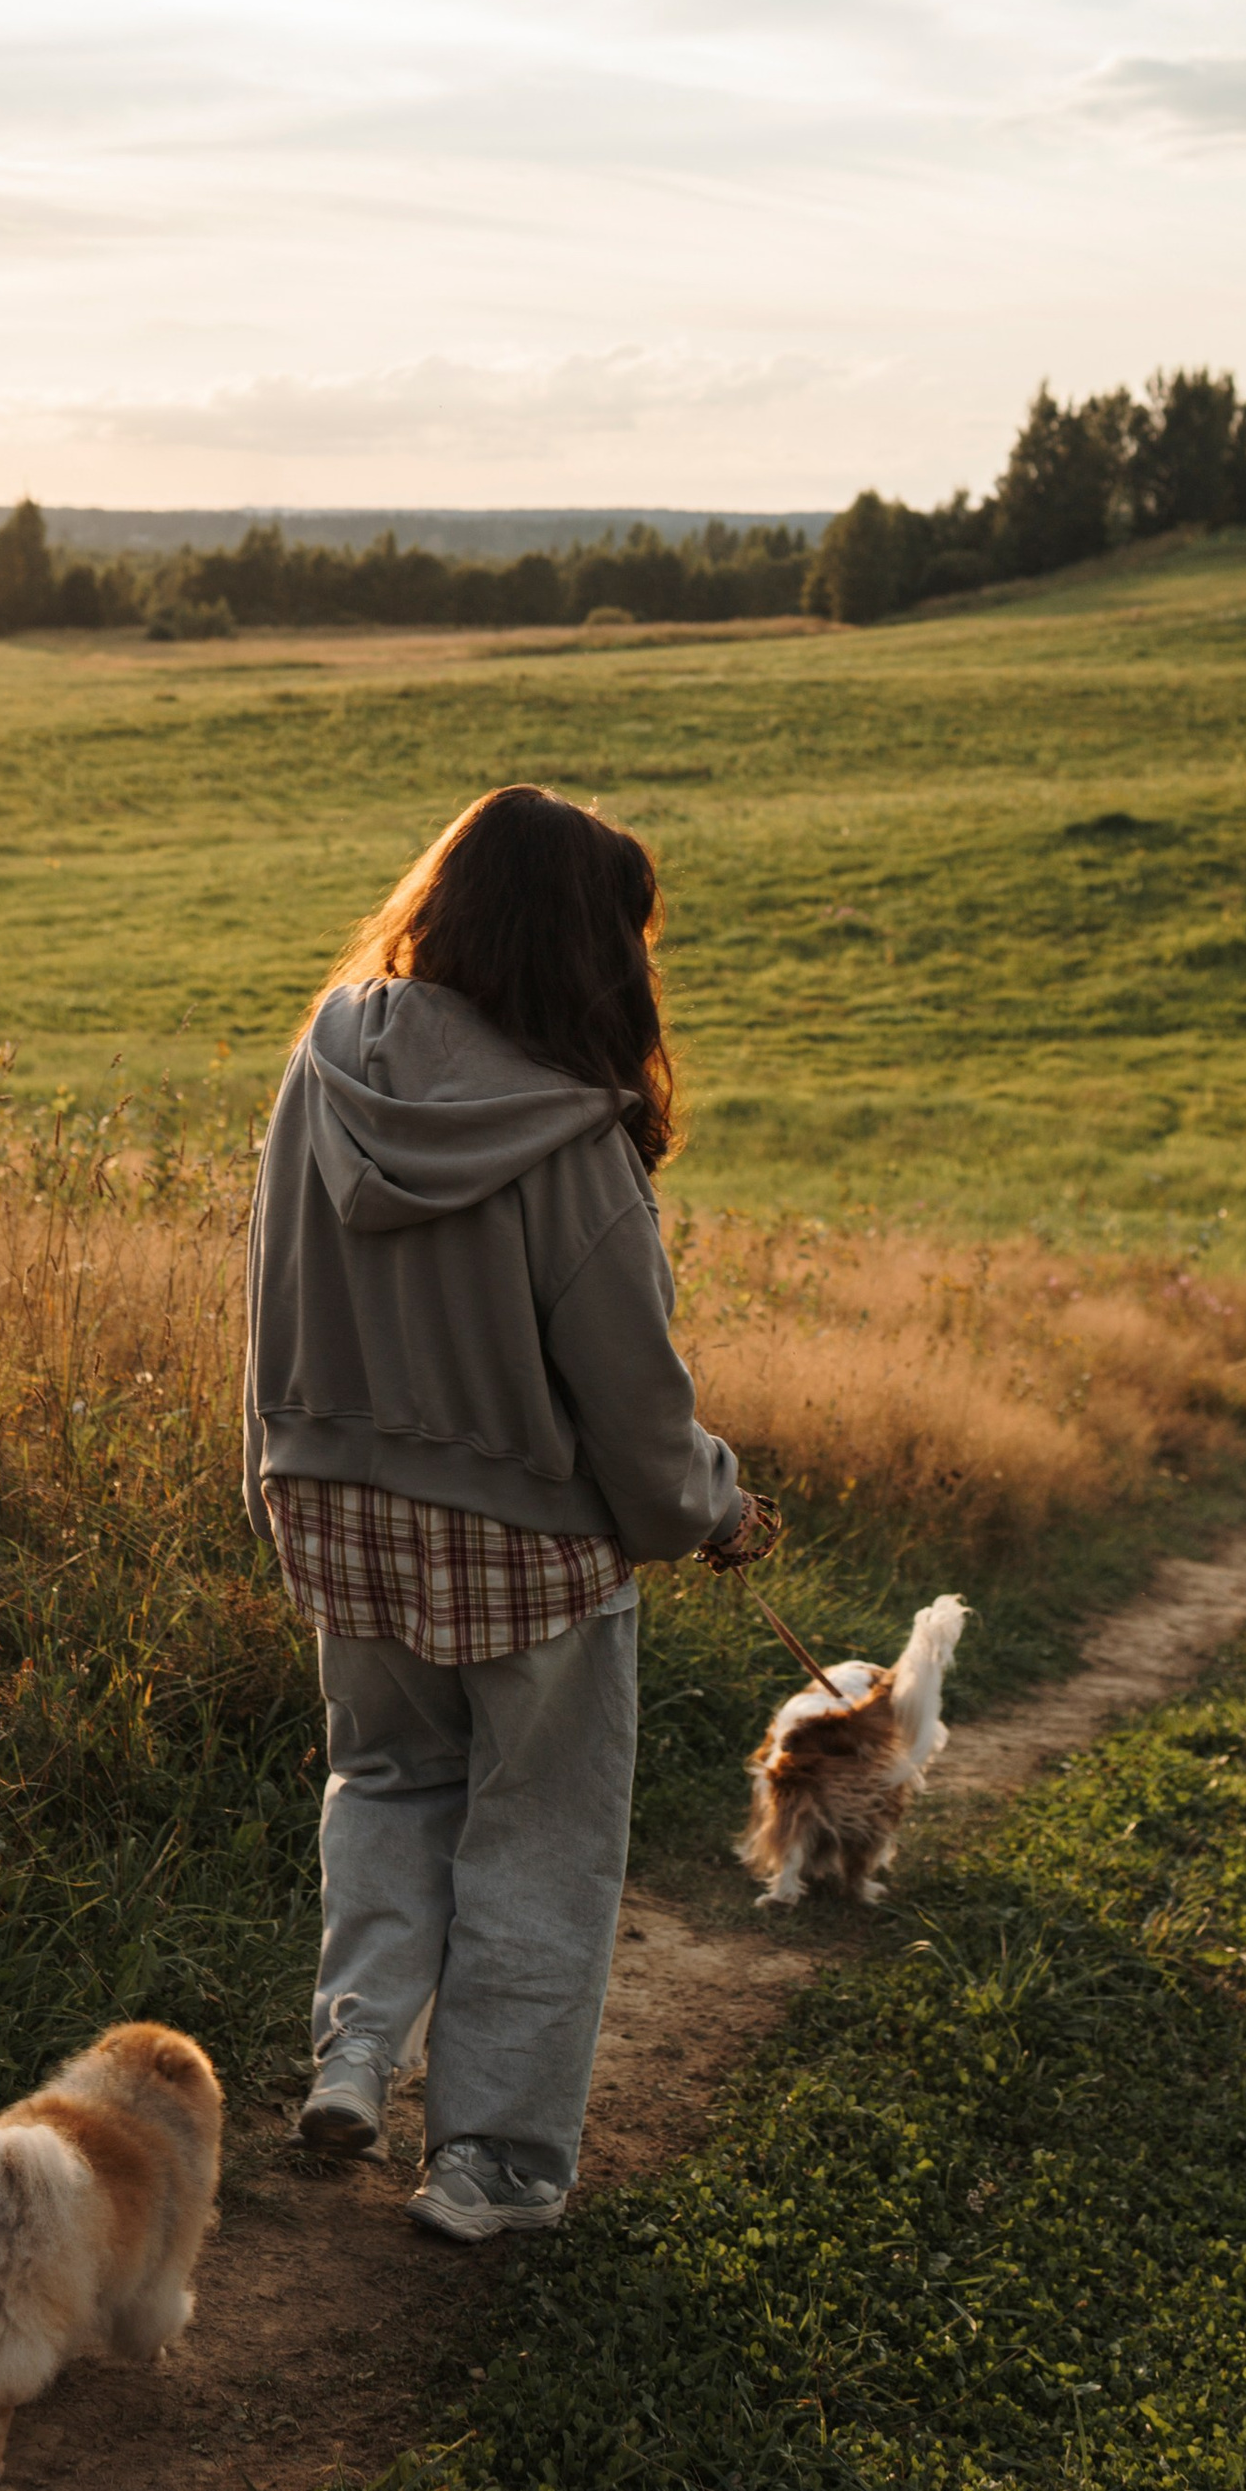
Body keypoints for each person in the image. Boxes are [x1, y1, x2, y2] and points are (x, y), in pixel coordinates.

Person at [244, 781, 765, 2244]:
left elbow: (271, 1284)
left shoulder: (329, 1054)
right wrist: (709, 1511)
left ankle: (356, 2048)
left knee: (389, 1779)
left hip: (332, 1500)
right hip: (525, 1546)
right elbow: (637, 1410)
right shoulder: (576, 1139)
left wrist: (275, 1472)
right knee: (537, 1833)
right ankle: (493, 2162)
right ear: (594, 948)